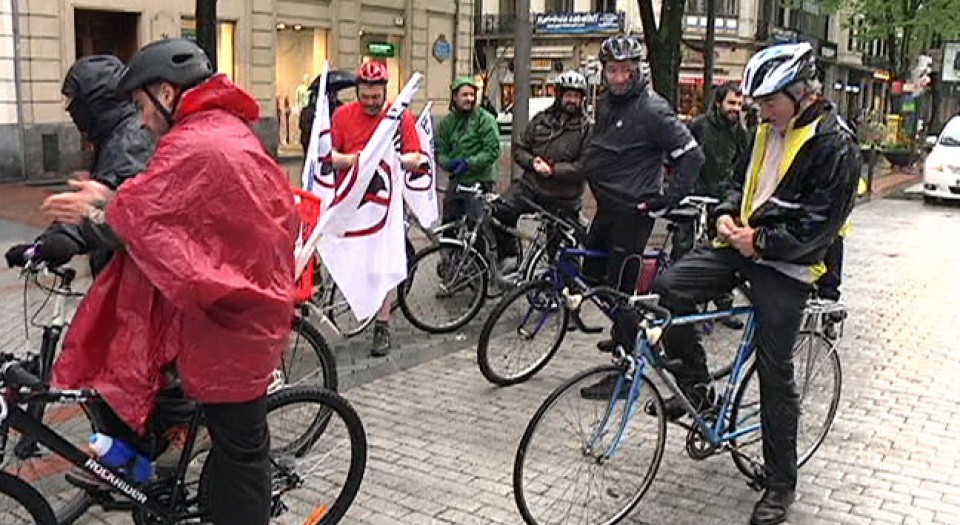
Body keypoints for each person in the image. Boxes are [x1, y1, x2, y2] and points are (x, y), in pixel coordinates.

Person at [39, 38, 297, 525]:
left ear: (165, 91)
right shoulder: (216, 129)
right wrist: (106, 199)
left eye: (140, 105)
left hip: (236, 321)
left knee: (241, 456)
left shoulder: (196, 142)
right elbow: (161, 204)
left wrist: (99, 207)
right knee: (232, 446)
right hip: (239, 311)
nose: (140, 120)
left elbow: (147, 213)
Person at [650, 42, 860, 524]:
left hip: (787, 265)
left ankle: (780, 483)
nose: (761, 111)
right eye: (758, 103)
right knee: (669, 290)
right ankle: (698, 389)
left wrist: (761, 243)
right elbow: (736, 184)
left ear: (801, 94)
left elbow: (819, 225)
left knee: (774, 371)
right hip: (741, 245)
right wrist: (725, 216)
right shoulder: (766, 128)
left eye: (769, 102)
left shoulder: (834, 144)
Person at [572, 34, 703, 375]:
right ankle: (624, 330)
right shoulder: (605, 103)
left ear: (637, 70)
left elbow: (692, 157)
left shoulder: (652, 108)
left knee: (620, 291)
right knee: (592, 277)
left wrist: (665, 200)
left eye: (625, 71)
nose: (618, 77)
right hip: (606, 208)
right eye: (612, 70)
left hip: (633, 213)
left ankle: (626, 365)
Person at [4, 55, 153, 275]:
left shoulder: (130, 139)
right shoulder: (112, 136)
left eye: (73, 102)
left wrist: (60, 239)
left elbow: (111, 208)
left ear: (94, 101)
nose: (68, 110)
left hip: (132, 275)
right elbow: (90, 204)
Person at [329, 60, 422, 357]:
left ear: (385, 92)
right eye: (365, 96)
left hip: (386, 203)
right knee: (352, 256)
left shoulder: (399, 117)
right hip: (352, 199)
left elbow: (417, 156)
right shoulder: (343, 116)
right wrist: (354, 160)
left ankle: (382, 324)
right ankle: (358, 301)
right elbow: (328, 155)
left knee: (382, 263)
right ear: (357, 92)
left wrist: (397, 159)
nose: (370, 103)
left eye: (376, 97)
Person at [494, 70, 591, 265]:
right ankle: (510, 256)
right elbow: (520, 147)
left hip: (563, 197)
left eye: (576, 96)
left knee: (561, 250)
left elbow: (584, 166)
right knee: (500, 210)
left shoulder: (586, 128)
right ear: (559, 95)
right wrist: (532, 163)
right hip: (532, 186)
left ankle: (562, 289)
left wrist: (553, 170)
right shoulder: (541, 120)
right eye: (568, 95)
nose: (571, 100)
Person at [675, 80, 750, 330]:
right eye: (731, 102)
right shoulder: (699, 125)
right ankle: (682, 305)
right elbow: (682, 155)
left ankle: (724, 307)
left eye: (739, 104)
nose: (735, 108)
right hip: (696, 196)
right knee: (685, 248)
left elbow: (743, 161)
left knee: (722, 251)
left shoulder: (740, 131)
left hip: (722, 199)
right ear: (718, 103)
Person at [435, 77, 501, 226]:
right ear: (454, 97)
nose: (469, 99)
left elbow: (492, 151)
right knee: (449, 223)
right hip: (458, 180)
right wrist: (448, 163)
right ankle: (449, 248)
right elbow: (441, 150)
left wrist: (469, 163)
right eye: (465, 95)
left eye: (472, 95)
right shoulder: (447, 123)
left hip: (481, 179)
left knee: (476, 225)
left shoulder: (485, 119)